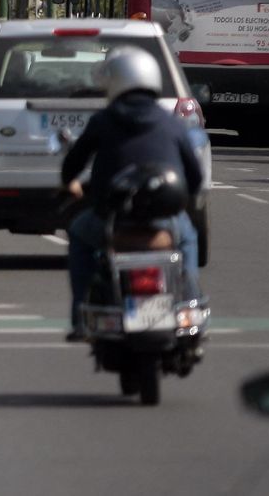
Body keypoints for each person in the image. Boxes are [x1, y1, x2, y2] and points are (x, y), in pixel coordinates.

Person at [59, 48, 202, 339]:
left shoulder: (103, 120)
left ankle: (80, 317)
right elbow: (195, 178)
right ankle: (190, 308)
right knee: (187, 239)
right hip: (164, 220)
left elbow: (72, 165)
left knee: (79, 235)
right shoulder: (171, 122)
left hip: (112, 222)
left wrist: (72, 183)